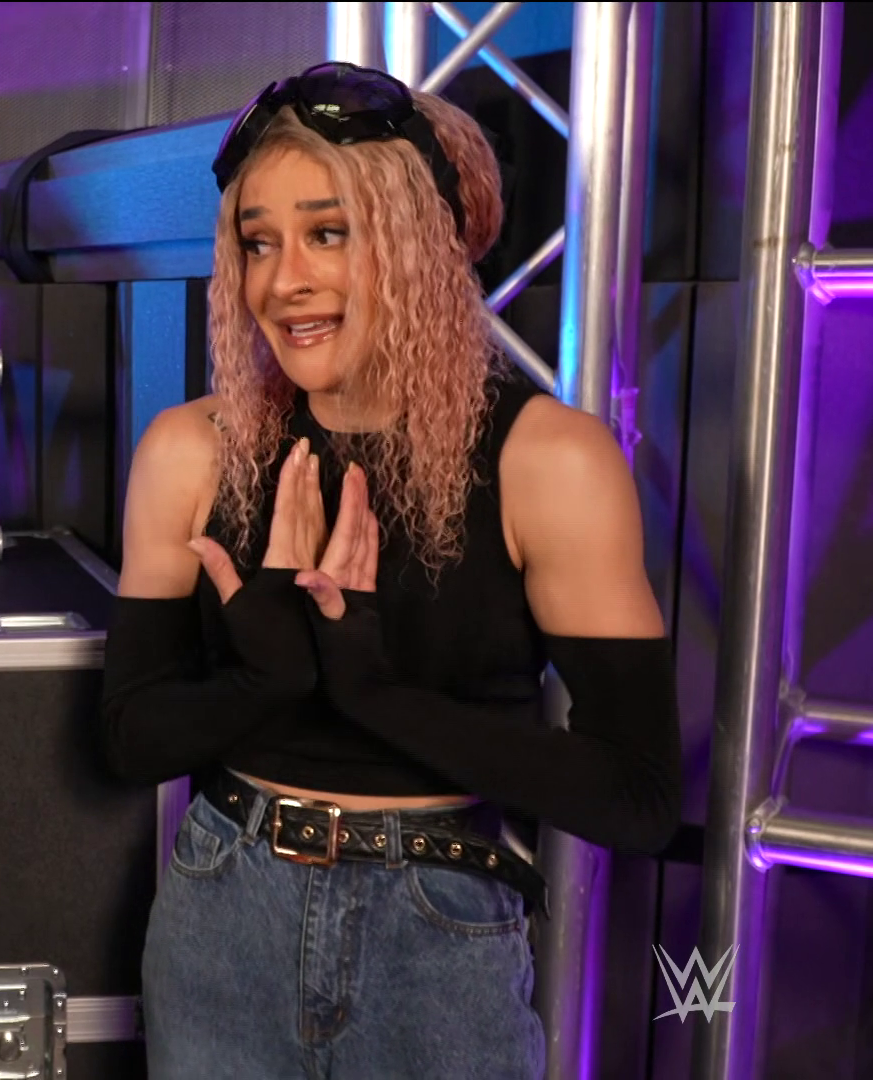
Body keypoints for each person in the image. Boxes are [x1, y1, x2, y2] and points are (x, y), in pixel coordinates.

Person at [101, 63, 682, 1078]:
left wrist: (372, 694)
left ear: (421, 247)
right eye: (259, 243)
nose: (283, 282)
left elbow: (635, 798)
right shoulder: (191, 451)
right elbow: (128, 739)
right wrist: (267, 678)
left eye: (329, 234)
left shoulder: (551, 462)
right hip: (223, 913)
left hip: (439, 932)